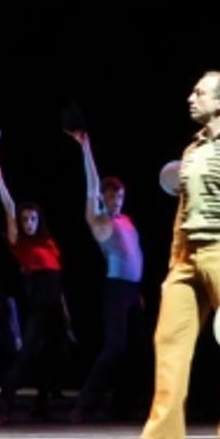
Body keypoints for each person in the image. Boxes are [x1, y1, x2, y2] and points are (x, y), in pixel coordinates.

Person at [123, 70, 220, 439]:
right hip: (187, 254)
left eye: (200, 92)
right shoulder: (193, 149)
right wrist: (174, 261)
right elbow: (183, 211)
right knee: (169, 340)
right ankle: (163, 432)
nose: (191, 98)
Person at [65, 129, 147, 423]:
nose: (117, 201)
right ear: (104, 197)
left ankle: (123, 404)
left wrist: (137, 291)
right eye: (112, 196)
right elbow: (91, 187)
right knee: (115, 347)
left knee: (138, 349)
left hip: (132, 291)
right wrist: (86, 148)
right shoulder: (100, 222)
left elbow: (135, 256)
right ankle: (84, 403)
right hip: (114, 290)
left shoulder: (126, 220)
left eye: (120, 196)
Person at [0, 143, 69, 423]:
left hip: (55, 299)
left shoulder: (48, 241)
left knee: (59, 352)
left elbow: (58, 277)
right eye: (25, 219)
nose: (29, 222)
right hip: (37, 298)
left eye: (33, 218)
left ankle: (41, 403)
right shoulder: (19, 243)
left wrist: (66, 311)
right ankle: (6, 402)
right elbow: (9, 207)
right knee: (29, 352)